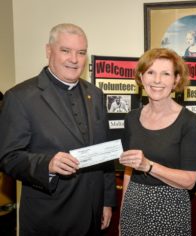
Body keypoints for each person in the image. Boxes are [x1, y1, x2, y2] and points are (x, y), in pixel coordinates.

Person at [0, 23, 116, 236]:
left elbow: (105, 152)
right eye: (66, 50)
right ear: (48, 51)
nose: (74, 59)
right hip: (50, 218)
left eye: (81, 53)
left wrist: (107, 201)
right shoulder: (19, 97)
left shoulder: (96, 94)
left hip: (92, 213)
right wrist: (48, 164)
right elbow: (9, 157)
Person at [119, 48, 196, 235]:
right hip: (133, 209)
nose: (157, 80)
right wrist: (123, 217)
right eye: (151, 72)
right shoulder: (131, 119)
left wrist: (148, 165)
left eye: (165, 74)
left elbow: (190, 181)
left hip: (171, 210)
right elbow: (128, 171)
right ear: (141, 77)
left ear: (176, 80)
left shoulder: (188, 120)